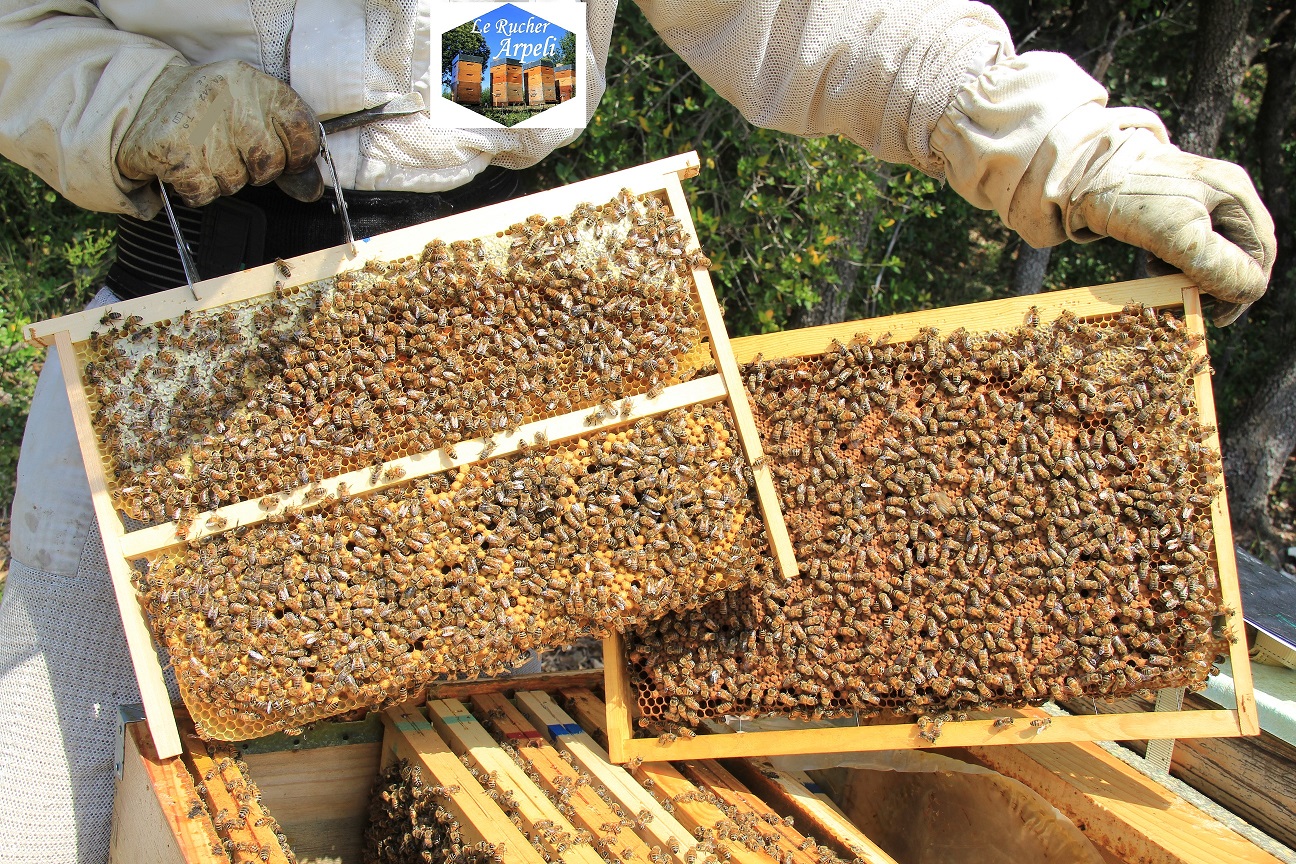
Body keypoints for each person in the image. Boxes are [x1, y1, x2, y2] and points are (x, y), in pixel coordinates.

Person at [0, 1, 1276, 860]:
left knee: (520, 806)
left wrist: (1066, 146)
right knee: (54, 800)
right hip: (173, 355)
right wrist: (126, 97)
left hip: (535, 367)